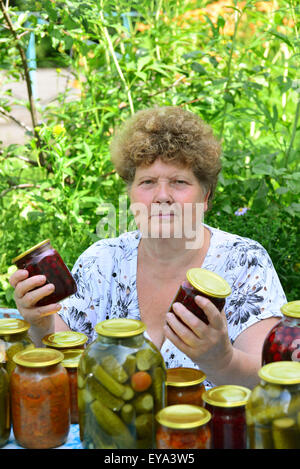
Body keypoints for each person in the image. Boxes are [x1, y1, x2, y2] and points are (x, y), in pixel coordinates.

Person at [9, 106, 286, 389]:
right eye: (147, 182)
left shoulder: (245, 262)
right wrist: (39, 323)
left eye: (179, 182)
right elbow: (61, 357)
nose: (162, 196)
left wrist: (222, 360)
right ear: (130, 195)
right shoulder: (101, 261)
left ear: (206, 196)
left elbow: (270, 379)